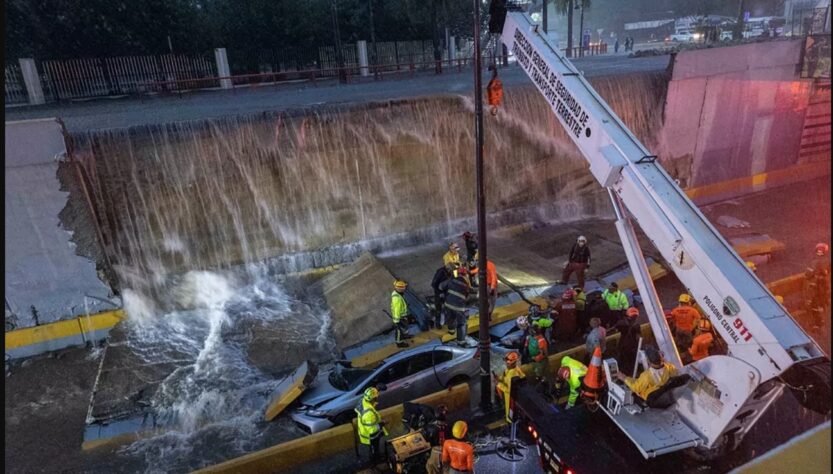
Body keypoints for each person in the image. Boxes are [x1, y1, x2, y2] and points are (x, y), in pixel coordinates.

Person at [356, 386, 387, 468]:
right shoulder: (369, 413)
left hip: (364, 430)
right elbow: (372, 429)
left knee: (373, 448)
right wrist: (382, 423)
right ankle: (375, 462)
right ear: (373, 399)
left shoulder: (364, 401)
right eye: (376, 397)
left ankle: (375, 458)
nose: (377, 398)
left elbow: (371, 394)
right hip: (370, 435)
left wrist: (377, 389)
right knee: (374, 448)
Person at [440, 267, 471, 343]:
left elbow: (440, 286)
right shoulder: (466, 284)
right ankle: (461, 341)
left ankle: (451, 331)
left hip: (448, 305)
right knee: (462, 323)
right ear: (465, 275)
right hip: (459, 308)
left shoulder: (451, 280)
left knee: (451, 318)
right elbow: (468, 296)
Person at [494, 351, 526, 422]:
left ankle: (510, 423)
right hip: (507, 396)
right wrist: (498, 379)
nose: (506, 363)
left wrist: (498, 384)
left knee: (510, 414)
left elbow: (510, 390)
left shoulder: (513, 374)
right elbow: (504, 378)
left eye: (507, 361)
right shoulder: (510, 369)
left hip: (510, 398)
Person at [470, 251, 498, 317]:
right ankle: (485, 312)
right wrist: (470, 272)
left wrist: (492, 288)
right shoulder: (482, 264)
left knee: (492, 301)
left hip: (491, 286)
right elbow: (478, 269)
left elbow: (494, 277)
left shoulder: (490, 265)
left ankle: (489, 314)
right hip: (485, 285)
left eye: (477, 260)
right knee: (481, 298)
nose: (476, 262)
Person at [615, 307, 642, 376]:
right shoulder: (636, 325)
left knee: (623, 361)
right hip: (632, 346)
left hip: (624, 346)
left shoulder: (622, 323)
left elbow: (617, 328)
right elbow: (639, 337)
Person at [391, 279, 411, 347]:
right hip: (400, 318)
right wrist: (396, 321)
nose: (405, 289)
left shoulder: (398, 294)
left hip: (402, 316)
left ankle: (405, 335)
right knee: (399, 331)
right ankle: (399, 343)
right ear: (400, 288)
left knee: (405, 327)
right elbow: (397, 309)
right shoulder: (397, 299)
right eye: (403, 287)